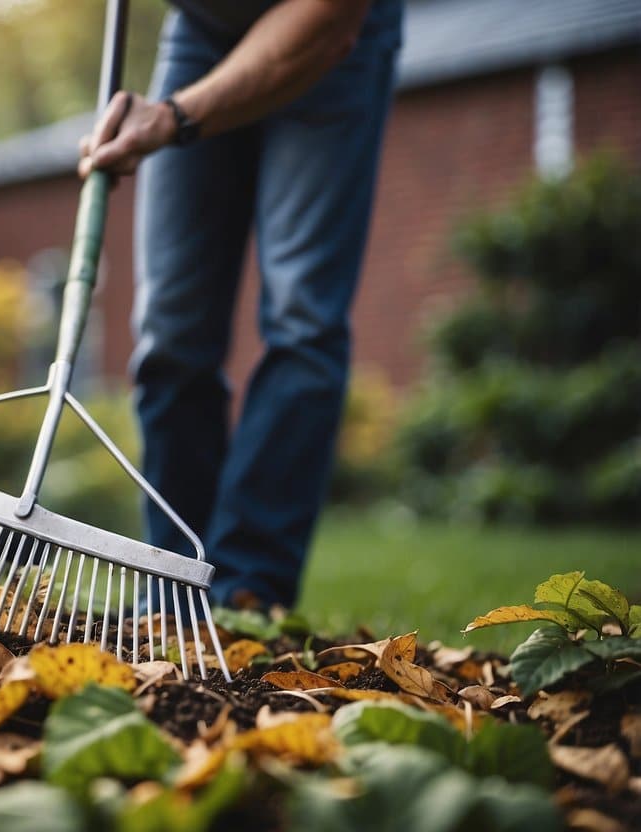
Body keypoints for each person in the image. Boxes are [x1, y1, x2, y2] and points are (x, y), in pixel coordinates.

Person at [79, 0, 403, 611]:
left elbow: (324, 22)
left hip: (331, 32)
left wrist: (173, 118)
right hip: (200, 31)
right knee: (170, 325)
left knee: (302, 317)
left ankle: (249, 590)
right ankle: (173, 585)